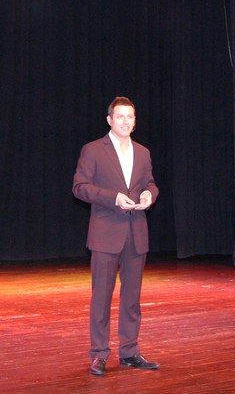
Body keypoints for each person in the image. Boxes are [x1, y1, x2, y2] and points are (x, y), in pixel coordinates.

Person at [72, 96, 160, 376]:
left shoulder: (143, 152)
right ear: (109, 120)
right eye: (120, 116)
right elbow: (79, 187)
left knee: (132, 299)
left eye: (130, 116)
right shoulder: (93, 150)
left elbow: (150, 183)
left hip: (136, 234)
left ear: (135, 121)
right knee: (101, 298)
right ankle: (99, 354)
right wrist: (113, 198)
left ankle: (130, 352)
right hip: (105, 234)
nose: (125, 121)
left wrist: (149, 195)